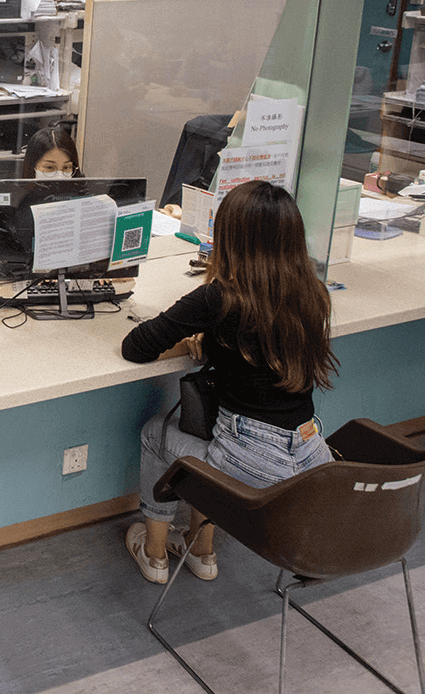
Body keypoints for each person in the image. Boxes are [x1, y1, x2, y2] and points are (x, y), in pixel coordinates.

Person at [119, 179, 338, 584]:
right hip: (311, 465)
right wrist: (214, 341)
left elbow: (137, 346)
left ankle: (153, 554)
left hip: (250, 469)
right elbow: (262, 346)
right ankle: (201, 551)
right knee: (208, 435)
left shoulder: (221, 298)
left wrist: (189, 342)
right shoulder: (313, 293)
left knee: (155, 434)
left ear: (229, 239)